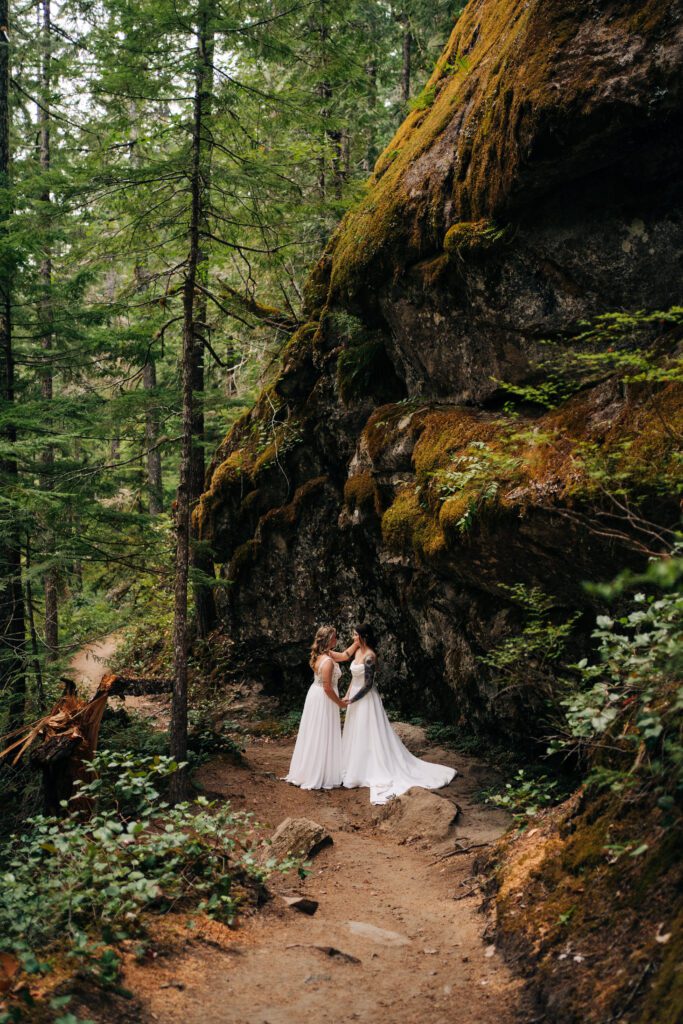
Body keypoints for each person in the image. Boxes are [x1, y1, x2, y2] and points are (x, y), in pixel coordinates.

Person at [341, 623, 456, 804]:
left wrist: (353, 698)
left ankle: (368, 768)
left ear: (363, 637)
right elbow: (354, 679)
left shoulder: (370, 656)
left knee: (369, 732)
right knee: (356, 732)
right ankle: (354, 765)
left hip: (366, 699)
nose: (353, 637)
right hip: (354, 697)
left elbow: (368, 684)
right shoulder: (356, 652)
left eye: (355, 635)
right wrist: (348, 694)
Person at [284, 625, 359, 790]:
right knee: (322, 732)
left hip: (316, 696)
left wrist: (357, 642)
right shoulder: (328, 662)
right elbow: (327, 688)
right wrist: (340, 703)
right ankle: (318, 773)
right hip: (324, 698)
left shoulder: (324, 654)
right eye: (334, 638)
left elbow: (346, 656)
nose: (337, 640)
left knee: (317, 732)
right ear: (328, 640)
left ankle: (317, 768)